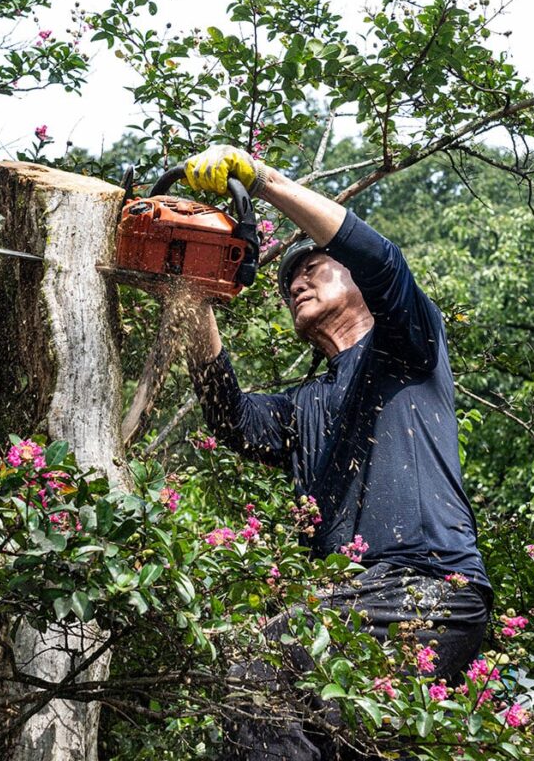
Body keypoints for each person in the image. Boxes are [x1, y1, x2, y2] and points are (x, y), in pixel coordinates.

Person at [179, 145, 491, 760]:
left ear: (355, 285)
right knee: (309, 731)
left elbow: (382, 260)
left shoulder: (406, 349)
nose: (296, 283)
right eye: (289, 283)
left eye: (315, 271)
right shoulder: (304, 407)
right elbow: (230, 417)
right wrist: (190, 292)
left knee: (254, 669)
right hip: (354, 604)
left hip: (429, 584)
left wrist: (262, 180)